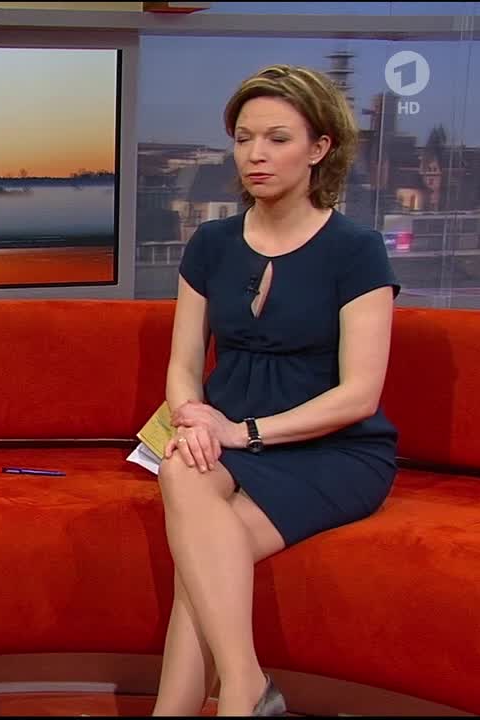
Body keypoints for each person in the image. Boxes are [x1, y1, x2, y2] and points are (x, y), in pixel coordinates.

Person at [152, 65, 400, 717]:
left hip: (332, 451)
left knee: (202, 565)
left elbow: (359, 395)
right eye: (243, 139)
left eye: (276, 138)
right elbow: (183, 364)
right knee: (181, 473)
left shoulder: (356, 250)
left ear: (320, 148)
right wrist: (191, 416)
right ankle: (247, 688)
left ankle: (231, 695)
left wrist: (243, 432)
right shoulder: (211, 243)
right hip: (227, 438)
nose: (254, 155)